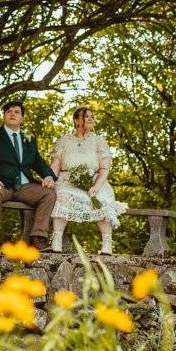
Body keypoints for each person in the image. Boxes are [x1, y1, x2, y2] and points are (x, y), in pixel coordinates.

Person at [0, 100, 57, 251]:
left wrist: (48, 175)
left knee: (49, 194)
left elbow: (38, 161)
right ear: (4, 116)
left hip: (24, 186)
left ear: (22, 118)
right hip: (0, 184)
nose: (13, 114)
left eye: (17, 112)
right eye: (9, 111)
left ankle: (38, 238)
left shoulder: (29, 140)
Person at [49, 107, 127, 254]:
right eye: (86, 116)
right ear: (77, 121)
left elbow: (104, 169)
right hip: (67, 181)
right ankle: (56, 240)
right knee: (61, 196)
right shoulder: (64, 141)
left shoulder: (99, 141)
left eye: (92, 116)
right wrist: (50, 180)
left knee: (100, 200)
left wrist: (96, 187)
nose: (91, 119)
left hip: (94, 181)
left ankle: (107, 244)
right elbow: (55, 166)